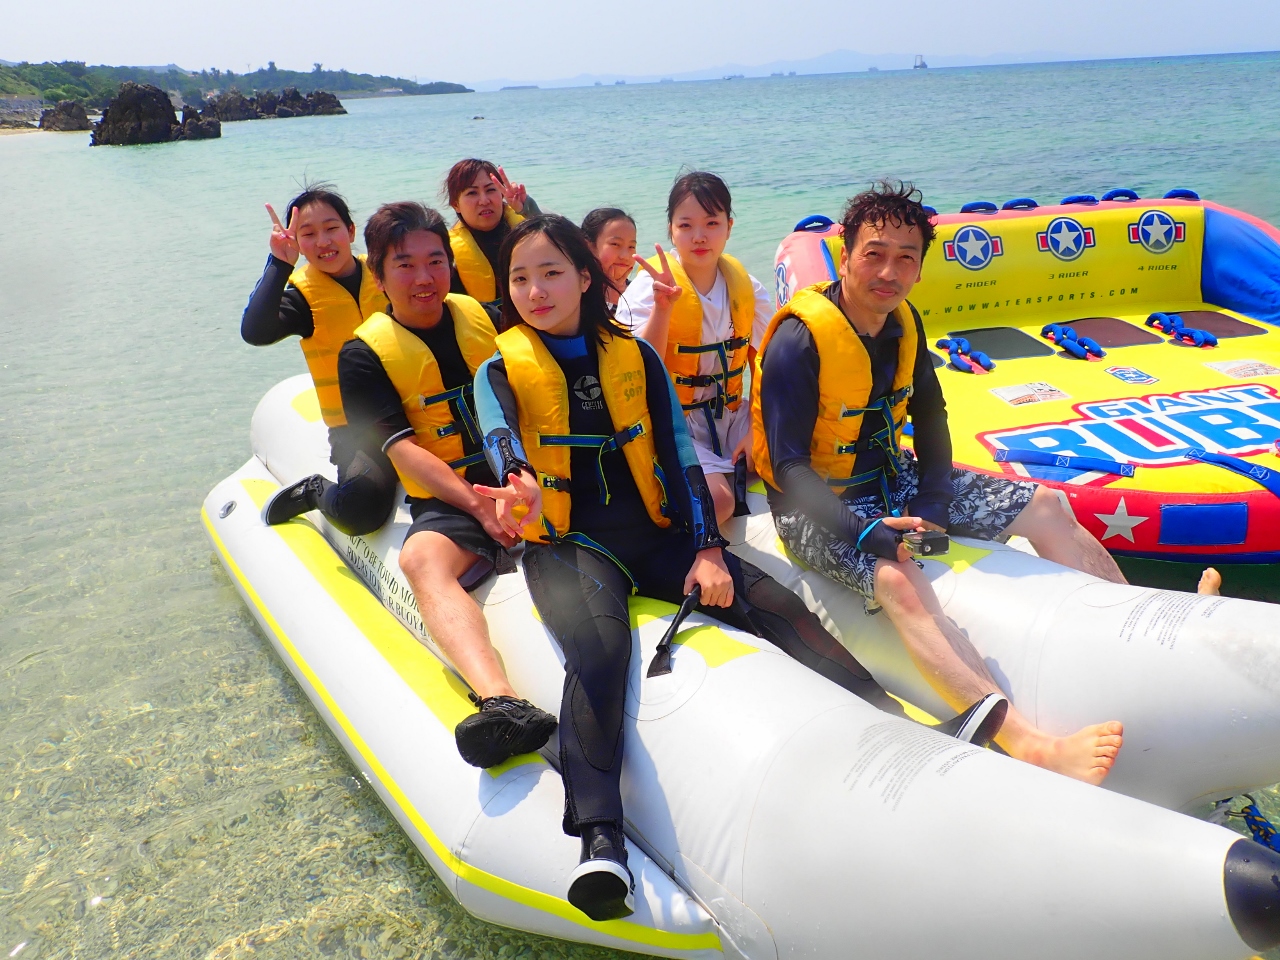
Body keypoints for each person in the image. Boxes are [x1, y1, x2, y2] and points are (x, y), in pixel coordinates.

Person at [473, 215, 1007, 922]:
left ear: (584, 277)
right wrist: (517, 480)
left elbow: (680, 458)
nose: (536, 291)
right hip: (567, 544)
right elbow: (500, 437)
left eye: (551, 273)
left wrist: (705, 548)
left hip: (657, 537)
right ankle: (601, 841)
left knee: (775, 604)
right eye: (520, 278)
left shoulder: (636, 357)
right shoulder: (497, 369)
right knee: (599, 652)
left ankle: (900, 728)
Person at [751, 180, 1128, 785]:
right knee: (898, 579)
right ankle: (1026, 743)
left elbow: (930, 417)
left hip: (893, 481)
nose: (888, 272)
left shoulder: (905, 323)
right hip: (818, 508)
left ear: (920, 268)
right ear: (844, 255)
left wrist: (933, 499)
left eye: (905, 258)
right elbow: (790, 470)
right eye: (874, 254)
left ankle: (1131, 633)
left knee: (1048, 504)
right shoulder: (798, 343)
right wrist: (866, 532)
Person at [336, 201, 557, 769]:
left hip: (525, 476)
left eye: (436, 261)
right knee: (420, 560)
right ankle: (502, 701)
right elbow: (402, 450)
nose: (424, 277)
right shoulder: (361, 355)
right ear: (378, 273)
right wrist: (479, 508)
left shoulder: (486, 316)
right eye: (405, 264)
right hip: (451, 493)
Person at [615, 172, 774, 527]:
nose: (699, 236)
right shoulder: (648, 287)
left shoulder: (746, 287)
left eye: (712, 223)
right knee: (718, 503)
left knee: (802, 452)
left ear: (729, 227)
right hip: (675, 425)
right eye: (686, 225)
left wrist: (757, 429)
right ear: (671, 230)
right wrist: (663, 309)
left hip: (732, 415)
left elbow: (772, 364)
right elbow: (634, 371)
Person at [241, 184, 398, 534]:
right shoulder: (303, 298)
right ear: (297, 243)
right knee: (360, 513)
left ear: (351, 231)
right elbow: (255, 332)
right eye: (308, 234)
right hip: (357, 430)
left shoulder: (385, 275)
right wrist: (279, 264)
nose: (323, 241)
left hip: (413, 413)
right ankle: (314, 490)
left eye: (331, 228)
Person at [445, 158, 541, 303]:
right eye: (472, 193)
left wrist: (529, 210)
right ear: (455, 205)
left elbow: (567, 248)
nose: (484, 201)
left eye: (490, 190)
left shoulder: (531, 223)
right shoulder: (447, 256)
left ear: (501, 194)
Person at [580, 207, 637, 309]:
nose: (625, 256)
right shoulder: (575, 292)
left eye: (631, 247)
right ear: (588, 246)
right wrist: (611, 302)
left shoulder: (640, 291)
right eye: (615, 244)